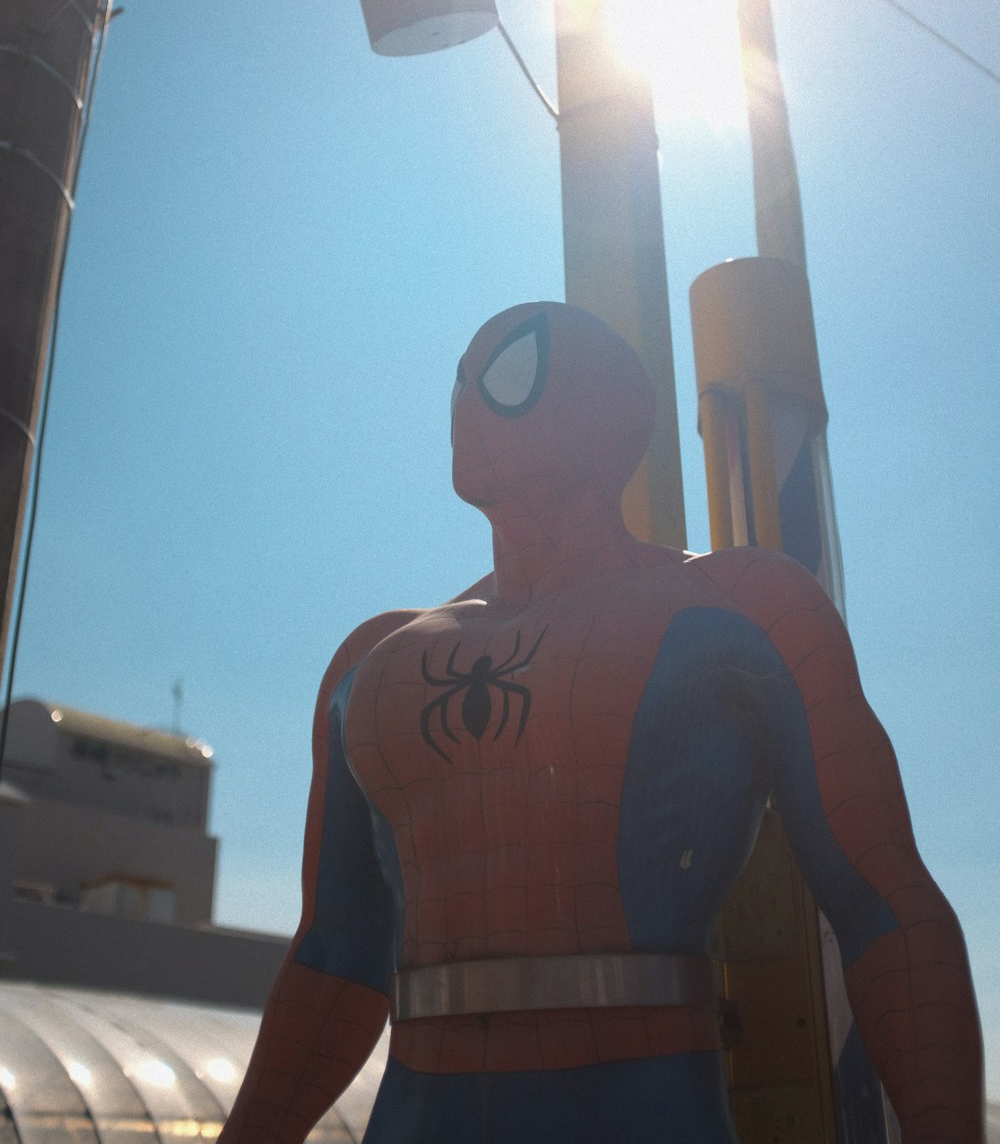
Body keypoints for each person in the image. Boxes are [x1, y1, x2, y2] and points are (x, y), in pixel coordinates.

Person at [220, 302, 983, 1143]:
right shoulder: (370, 660)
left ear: (616, 412)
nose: (470, 397)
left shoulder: (746, 606)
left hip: (648, 1103)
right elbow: (332, 963)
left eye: (511, 370)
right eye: (461, 380)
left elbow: (885, 902)